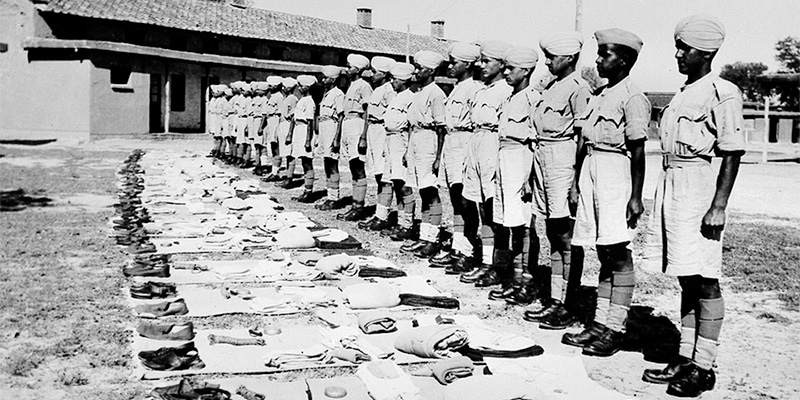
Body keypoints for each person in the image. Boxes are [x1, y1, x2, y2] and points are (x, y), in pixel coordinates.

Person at [641, 15, 743, 398]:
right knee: (686, 274)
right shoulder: (684, 92)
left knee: (705, 277)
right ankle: (686, 355)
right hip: (672, 183)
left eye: (685, 49)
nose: (679, 54)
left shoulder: (723, 92)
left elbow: (732, 153)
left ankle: (705, 365)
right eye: (678, 47)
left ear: (708, 52)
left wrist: (718, 206)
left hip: (699, 187)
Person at [561, 28, 650, 358]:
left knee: (619, 252)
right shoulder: (599, 95)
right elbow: (584, 144)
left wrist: (636, 196)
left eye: (605, 55)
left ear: (624, 60)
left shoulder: (633, 96)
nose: (598, 60)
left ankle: (616, 327)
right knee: (602, 250)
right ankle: (600, 323)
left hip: (616, 174)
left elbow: (638, 150)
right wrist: (574, 183)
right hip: (592, 171)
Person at [519, 32, 591, 325]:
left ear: (570, 58)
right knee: (551, 230)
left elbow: (582, 138)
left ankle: (568, 302)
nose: (547, 62)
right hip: (544, 158)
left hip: (564, 161)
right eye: (546, 56)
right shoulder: (551, 87)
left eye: (552, 57)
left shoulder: (579, 88)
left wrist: (575, 181)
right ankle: (555, 297)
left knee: (565, 234)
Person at [484, 46, 540, 300]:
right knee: (508, 221)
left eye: (511, 68)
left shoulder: (533, 98)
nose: (506, 72)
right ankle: (514, 277)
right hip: (504, 159)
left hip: (521, 161)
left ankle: (527, 280)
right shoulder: (509, 98)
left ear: (526, 70)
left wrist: (529, 177)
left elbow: (535, 142)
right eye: (504, 67)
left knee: (524, 225)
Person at [459, 40, 513, 286]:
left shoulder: (506, 91)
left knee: (494, 208)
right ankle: (486, 261)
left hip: (493, 145)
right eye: (480, 60)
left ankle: (498, 264)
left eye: (487, 61)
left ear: (502, 65)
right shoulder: (482, 90)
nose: (481, 65)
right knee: (481, 207)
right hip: (477, 144)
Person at [428, 42, 484, 275]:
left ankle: (468, 252)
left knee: (466, 200)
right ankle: (458, 247)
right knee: (454, 198)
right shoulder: (456, 88)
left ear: (469, 64)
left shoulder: (475, 89)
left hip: (465, 142)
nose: (450, 66)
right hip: (452, 142)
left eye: (455, 62)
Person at [401, 50, 447, 258]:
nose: (417, 72)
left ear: (431, 71)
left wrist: (438, 157)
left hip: (429, 141)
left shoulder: (437, 94)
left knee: (430, 191)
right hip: (417, 141)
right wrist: (408, 150)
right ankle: (423, 237)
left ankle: (433, 239)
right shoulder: (419, 92)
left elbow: (440, 128)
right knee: (421, 190)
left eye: (420, 68)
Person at [359, 56, 398, 230]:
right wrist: (363, 135)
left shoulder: (390, 91)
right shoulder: (377, 89)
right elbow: (368, 113)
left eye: (375, 72)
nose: (372, 75)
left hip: (383, 131)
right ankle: (380, 213)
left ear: (385, 74)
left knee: (385, 176)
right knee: (377, 173)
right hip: (373, 131)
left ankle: (383, 216)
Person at [379, 62, 417, 239]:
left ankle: (407, 225)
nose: (392, 82)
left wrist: (408, 149)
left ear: (403, 80)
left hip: (401, 141)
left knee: (403, 184)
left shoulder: (410, 97)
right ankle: (399, 222)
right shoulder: (396, 96)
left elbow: (411, 125)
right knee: (393, 180)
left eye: (395, 79)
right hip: (391, 140)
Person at [336, 54, 373, 221]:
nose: (346, 70)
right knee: (352, 166)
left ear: (357, 69)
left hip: (357, 125)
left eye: (349, 67)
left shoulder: (364, 86)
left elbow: (367, 112)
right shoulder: (351, 86)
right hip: (348, 124)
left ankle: (359, 207)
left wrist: (364, 136)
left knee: (358, 166)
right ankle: (355, 205)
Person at [315, 66, 347, 210]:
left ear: (333, 79)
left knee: (332, 164)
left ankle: (334, 198)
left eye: (326, 78)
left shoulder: (338, 94)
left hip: (332, 130)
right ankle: (330, 195)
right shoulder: (327, 93)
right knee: (327, 163)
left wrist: (337, 138)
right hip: (324, 130)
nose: (323, 80)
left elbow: (341, 117)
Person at [286, 75, 319, 201]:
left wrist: (307, 140)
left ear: (307, 87)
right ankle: (306, 190)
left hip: (305, 130)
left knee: (307, 161)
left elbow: (310, 122)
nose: (299, 88)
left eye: (301, 85)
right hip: (299, 130)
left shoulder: (309, 101)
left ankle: (309, 191)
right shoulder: (302, 100)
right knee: (303, 161)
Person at [275, 77, 299, 187]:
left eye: (285, 87)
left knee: (290, 154)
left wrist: (290, 133)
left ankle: (290, 178)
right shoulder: (286, 98)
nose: (283, 89)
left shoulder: (292, 99)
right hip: (282, 125)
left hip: (288, 125)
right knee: (285, 153)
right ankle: (287, 177)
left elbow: (293, 117)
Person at [261, 76, 285, 182]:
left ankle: (276, 173)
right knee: (272, 147)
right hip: (271, 122)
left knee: (276, 148)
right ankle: (274, 171)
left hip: (276, 122)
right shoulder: (272, 96)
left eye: (272, 85)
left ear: (278, 85)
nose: (270, 87)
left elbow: (281, 113)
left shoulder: (279, 97)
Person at [249, 81, 269, 175]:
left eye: (259, 90)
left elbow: (264, 115)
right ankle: (258, 165)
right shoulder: (256, 99)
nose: (256, 91)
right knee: (256, 145)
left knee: (262, 146)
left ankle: (263, 166)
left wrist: (261, 127)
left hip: (261, 122)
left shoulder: (265, 100)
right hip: (255, 121)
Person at [207, 84, 226, 158]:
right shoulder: (213, 99)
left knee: (219, 135)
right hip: (213, 118)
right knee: (214, 135)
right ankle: (215, 149)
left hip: (219, 118)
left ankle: (219, 150)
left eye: (215, 92)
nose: (213, 93)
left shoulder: (222, 100)